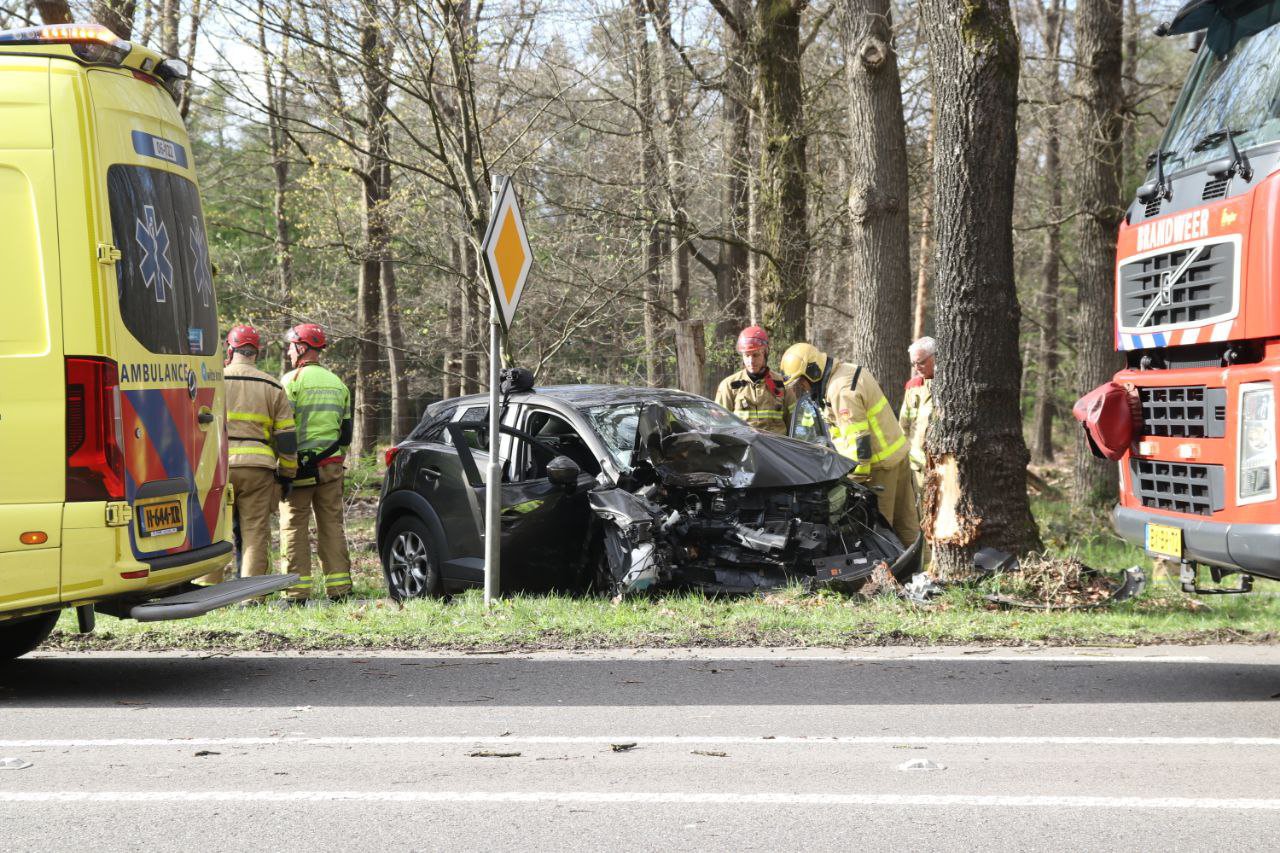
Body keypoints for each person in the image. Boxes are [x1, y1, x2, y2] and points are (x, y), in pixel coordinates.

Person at [779, 342, 920, 549]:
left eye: (802, 382)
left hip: (878, 467)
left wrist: (854, 482)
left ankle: (889, 577)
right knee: (907, 524)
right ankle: (920, 573)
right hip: (896, 457)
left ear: (813, 372)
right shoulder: (847, 371)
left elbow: (859, 441)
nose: (803, 388)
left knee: (880, 532)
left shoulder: (841, 390)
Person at [199, 325, 296, 589]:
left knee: (211, 530)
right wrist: (287, 474)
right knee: (255, 531)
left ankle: (206, 589)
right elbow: (286, 438)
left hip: (218, 467)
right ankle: (252, 594)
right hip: (258, 468)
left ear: (230, 350)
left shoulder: (214, 380)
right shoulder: (272, 385)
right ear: (256, 353)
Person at [278, 323, 353, 604]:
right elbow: (346, 434)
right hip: (332, 468)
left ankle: (296, 593)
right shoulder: (338, 384)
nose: (287, 351)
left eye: (290, 346)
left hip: (299, 469)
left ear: (301, 348)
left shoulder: (291, 382)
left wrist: (285, 466)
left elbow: (284, 430)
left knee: (293, 525)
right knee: (331, 524)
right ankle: (340, 589)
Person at [714, 325, 795, 435]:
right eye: (747, 355)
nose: (751, 361)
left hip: (776, 449)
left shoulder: (782, 384)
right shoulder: (729, 385)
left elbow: (795, 424)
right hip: (744, 448)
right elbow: (719, 425)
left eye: (756, 355)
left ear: (765, 353)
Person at [899, 336, 935, 494]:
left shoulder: (949, 384)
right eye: (913, 363)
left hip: (940, 465)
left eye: (921, 362)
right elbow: (903, 426)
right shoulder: (913, 387)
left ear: (935, 357)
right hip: (917, 467)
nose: (916, 367)